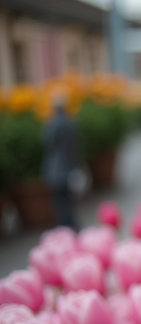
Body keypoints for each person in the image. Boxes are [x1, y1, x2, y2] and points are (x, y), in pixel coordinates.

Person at [42, 93, 80, 229]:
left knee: (60, 203)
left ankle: (65, 227)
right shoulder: (71, 123)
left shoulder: (53, 124)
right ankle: (72, 226)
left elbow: (47, 142)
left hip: (56, 170)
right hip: (69, 168)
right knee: (68, 200)